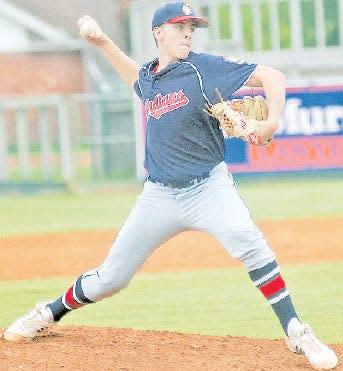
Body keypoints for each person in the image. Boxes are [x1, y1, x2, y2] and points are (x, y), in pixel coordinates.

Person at [4, 2, 338, 369]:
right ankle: (49, 312)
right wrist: (101, 41)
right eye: (180, 27)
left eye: (192, 27)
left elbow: (274, 76)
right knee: (110, 278)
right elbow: (133, 75)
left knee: (250, 243)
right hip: (159, 195)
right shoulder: (150, 78)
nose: (188, 33)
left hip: (208, 188)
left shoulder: (204, 68)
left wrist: (272, 123)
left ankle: (296, 331)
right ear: (158, 33)